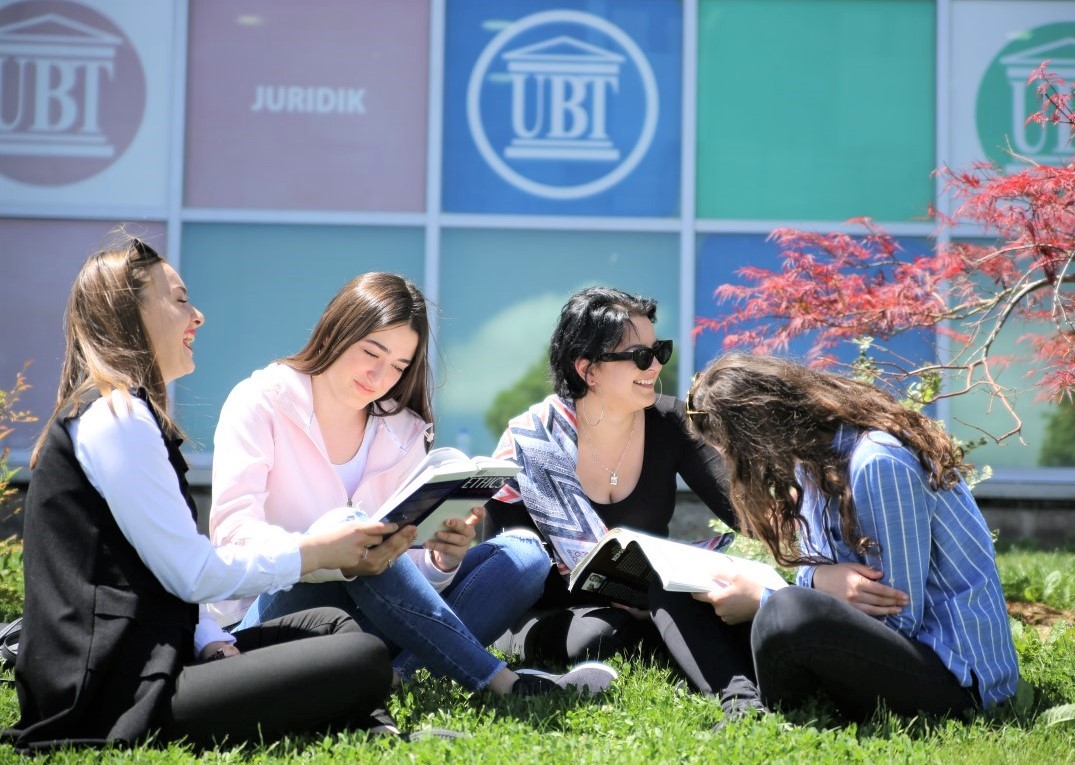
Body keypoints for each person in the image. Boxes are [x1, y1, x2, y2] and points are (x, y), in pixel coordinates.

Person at [4, 237, 395, 750]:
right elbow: (191, 573)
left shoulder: (124, 414)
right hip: (117, 693)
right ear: (131, 310)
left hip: (162, 655)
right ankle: (366, 722)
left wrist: (211, 640)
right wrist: (313, 553)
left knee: (332, 626)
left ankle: (365, 722)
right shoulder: (114, 418)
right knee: (361, 656)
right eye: (181, 298)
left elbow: (163, 572)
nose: (199, 316)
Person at [208, 272, 616, 698]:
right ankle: (503, 682)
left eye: (399, 366)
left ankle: (395, 675)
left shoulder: (402, 430)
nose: (380, 376)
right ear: (335, 330)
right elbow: (233, 541)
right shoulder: (261, 401)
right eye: (372, 352)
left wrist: (440, 560)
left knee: (526, 557)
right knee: (356, 531)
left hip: (372, 622)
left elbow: (403, 574)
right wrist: (325, 551)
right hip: (271, 620)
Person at [682, 352, 1020, 720]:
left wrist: (764, 599)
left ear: (760, 435)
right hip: (883, 650)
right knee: (694, 593)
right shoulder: (813, 461)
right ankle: (743, 700)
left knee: (784, 611)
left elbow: (898, 617)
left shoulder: (878, 462)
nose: (734, 467)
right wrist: (818, 578)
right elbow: (821, 576)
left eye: (733, 453)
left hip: (951, 677)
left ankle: (765, 713)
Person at [485, 287, 753, 704]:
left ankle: (677, 633)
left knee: (702, 604)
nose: (656, 365)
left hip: (650, 598)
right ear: (588, 370)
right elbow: (504, 561)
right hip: (549, 609)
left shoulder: (671, 422)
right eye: (640, 356)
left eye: (658, 350)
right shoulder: (533, 440)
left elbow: (742, 510)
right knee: (601, 634)